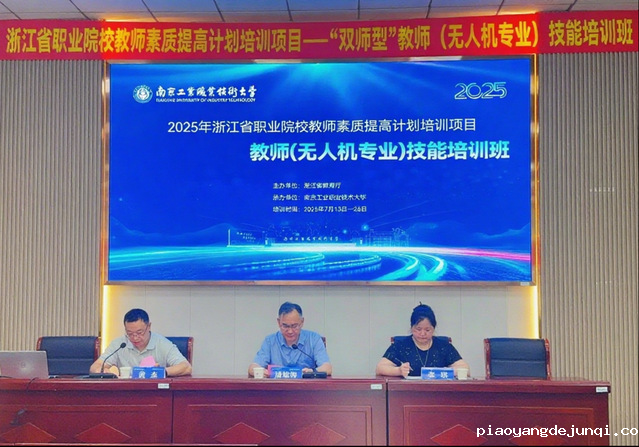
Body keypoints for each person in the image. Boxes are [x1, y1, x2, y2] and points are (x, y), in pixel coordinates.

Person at [89, 308, 192, 377]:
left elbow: (186, 367)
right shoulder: (119, 344)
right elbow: (94, 367)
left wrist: (161, 372)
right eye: (130, 333)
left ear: (149, 326)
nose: (135, 338)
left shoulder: (162, 344)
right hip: (125, 394)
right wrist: (102, 371)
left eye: (139, 332)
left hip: (154, 394)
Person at [376, 303, 470, 378]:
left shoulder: (443, 346)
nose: (422, 333)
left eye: (427, 330)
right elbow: (380, 368)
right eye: (418, 329)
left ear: (433, 329)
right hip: (408, 393)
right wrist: (399, 371)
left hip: (439, 393)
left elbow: (466, 369)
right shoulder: (400, 345)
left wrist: (446, 372)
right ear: (411, 327)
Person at [248, 302, 332, 377]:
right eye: (285, 326)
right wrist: (262, 372)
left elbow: (327, 368)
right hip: (277, 388)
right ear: (278, 322)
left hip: (306, 388)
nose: (290, 331)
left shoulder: (313, 339)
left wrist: (312, 372)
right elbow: (252, 367)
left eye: (294, 326)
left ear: (302, 322)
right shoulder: (270, 341)